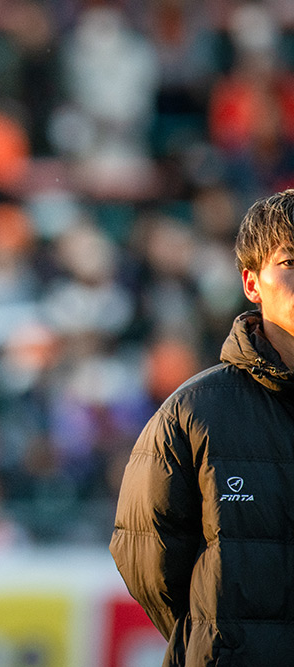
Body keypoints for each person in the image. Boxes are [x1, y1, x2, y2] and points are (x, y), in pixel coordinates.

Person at [110, 188, 294, 665]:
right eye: (291, 263)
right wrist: (221, 636)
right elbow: (146, 560)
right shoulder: (194, 413)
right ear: (252, 283)